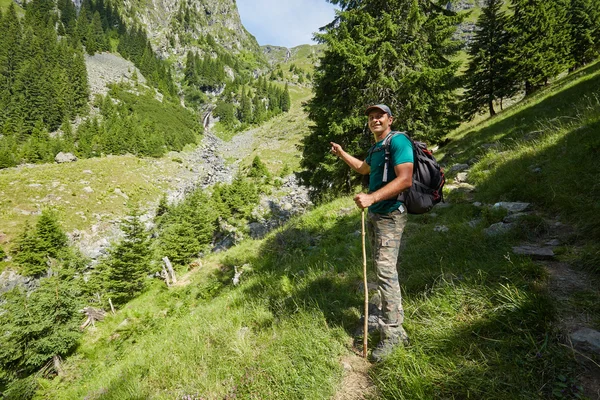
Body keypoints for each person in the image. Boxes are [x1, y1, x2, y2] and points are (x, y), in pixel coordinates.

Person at [330, 104, 414, 362]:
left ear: (391, 119)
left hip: (390, 213)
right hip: (377, 214)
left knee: (386, 271)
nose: (375, 120)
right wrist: (343, 153)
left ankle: (395, 333)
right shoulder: (377, 148)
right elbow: (363, 169)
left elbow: (405, 179)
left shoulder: (398, 141)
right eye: (370, 117)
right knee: (380, 269)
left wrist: (372, 197)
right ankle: (384, 317)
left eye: (380, 116)